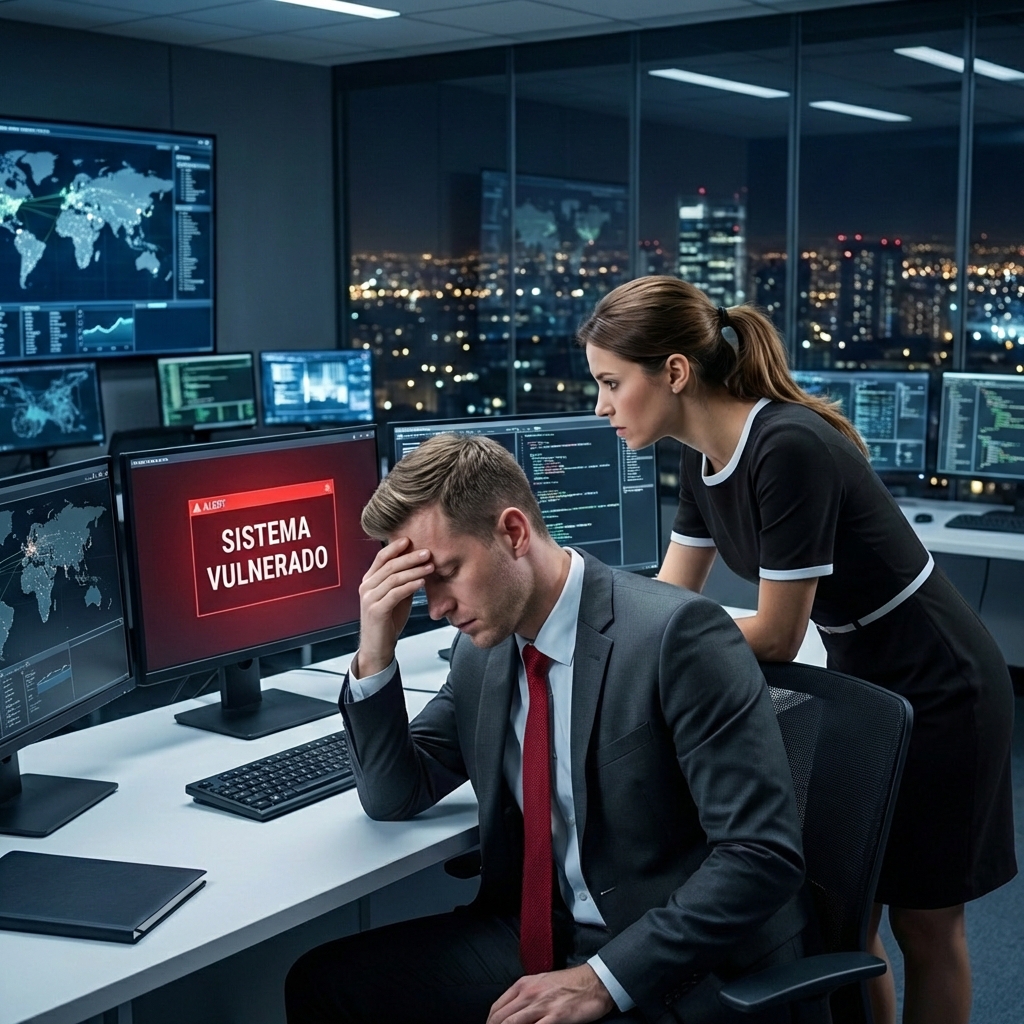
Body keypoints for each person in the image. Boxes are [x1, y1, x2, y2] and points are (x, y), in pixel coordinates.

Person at [577, 275, 1018, 1024]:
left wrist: (642, 650)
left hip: (944, 685)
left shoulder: (786, 446)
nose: (601, 406)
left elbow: (778, 632)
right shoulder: (699, 456)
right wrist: (597, 636)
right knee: (846, 916)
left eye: (612, 383)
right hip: (859, 678)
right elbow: (670, 602)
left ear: (675, 372)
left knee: (926, 922)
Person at [285, 432, 816, 1024]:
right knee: (323, 985)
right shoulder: (482, 650)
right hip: (537, 936)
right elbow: (394, 794)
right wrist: (375, 648)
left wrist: (602, 981)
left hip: (672, 962)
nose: (434, 608)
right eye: (419, 584)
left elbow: (760, 855)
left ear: (513, 533)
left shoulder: (677, 637)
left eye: (447, 574)